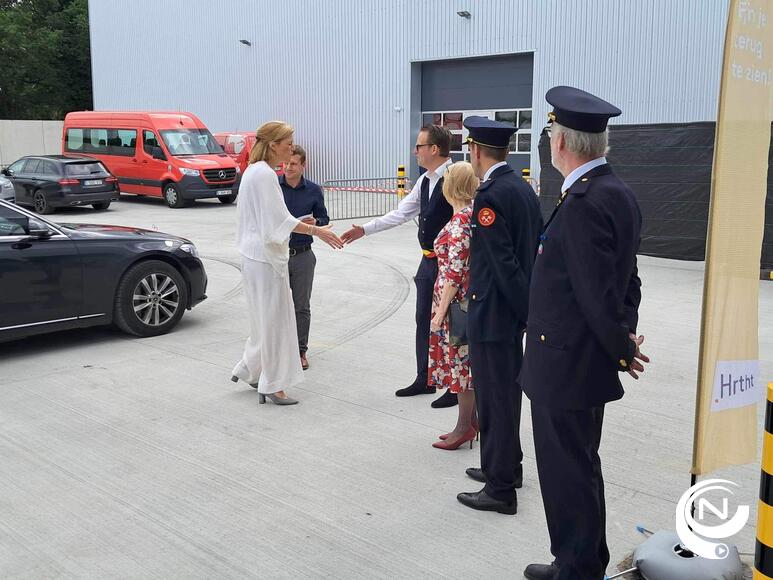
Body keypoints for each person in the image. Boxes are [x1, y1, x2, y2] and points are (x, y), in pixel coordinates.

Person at [521, 86, 649, 580]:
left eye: (551, 132)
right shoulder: (615, 192)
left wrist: (621, 346)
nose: (550, 140)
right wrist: (624, 337)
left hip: (565, 364)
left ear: (561, 141)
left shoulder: (583, 203)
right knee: (580, 464)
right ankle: (583, 560)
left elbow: (596, 294)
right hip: (582, 358)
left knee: (565, 471)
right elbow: (627, 279)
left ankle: (575, 567)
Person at [455, 117, 543, 516]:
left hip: (495, 313)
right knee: (504, 396)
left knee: (495, 398)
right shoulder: (522, 188)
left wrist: (522, 309)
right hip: (511, 312)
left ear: (475, 150)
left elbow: (502, 263)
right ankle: (505, 466)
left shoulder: (489, 195)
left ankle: (500, 487)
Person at [341, 124, 459, 410]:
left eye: (419, 146)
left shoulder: (456, 177)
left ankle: (456, 385)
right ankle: (426, 377)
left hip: (450, 264)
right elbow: (401, 213)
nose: (415, 151)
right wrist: (365, 230)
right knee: (424, 320)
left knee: (453, 324)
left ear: (434, 149)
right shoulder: (426, 180)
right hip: (427, 261)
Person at [231, 121, 343, 405]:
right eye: (288, 143)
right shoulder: (266, 175)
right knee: (277, 322)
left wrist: (298, 224)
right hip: (266, 260)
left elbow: (269, 219)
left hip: (253, 257)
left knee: (262, 320)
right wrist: (318, 230)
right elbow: (276, 223)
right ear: (273, 145)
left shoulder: (252, 172)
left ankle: (251, 369)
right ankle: (273, 384)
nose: (291, 148)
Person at [427, 162, 478, 450]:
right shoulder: (469, 215)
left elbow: (455, 271)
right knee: (467, 364)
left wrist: (440, 311)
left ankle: (463, 427)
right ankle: (473, 422)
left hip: (456, 303)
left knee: (461, 365)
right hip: (463, 299)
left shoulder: (460, 221)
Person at [280, 145, 330, 371]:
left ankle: (300, 351)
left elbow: (323, 217)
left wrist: (316, 223)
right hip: (277, 255)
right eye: (285, 163)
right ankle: (279, 350)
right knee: (277, 306)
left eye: (293, 164)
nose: (287, 168)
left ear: (303, 166)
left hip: (302, 256)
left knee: (301, 306)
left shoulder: (313, 190)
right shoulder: (274, 187)